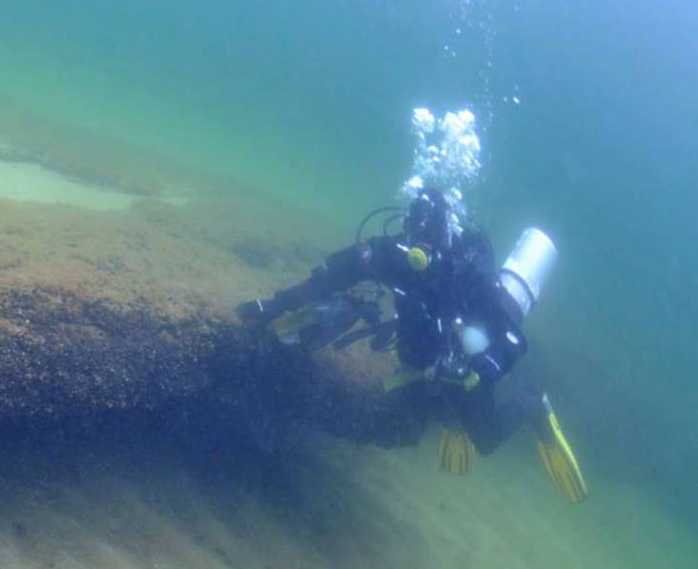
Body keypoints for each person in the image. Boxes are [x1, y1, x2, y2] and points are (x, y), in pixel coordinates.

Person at [236, 185, 587, 502]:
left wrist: (485, 365)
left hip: (466, 368)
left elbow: (512, 340)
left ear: (447, 237)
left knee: (486, 438)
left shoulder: (470, 274)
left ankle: (533, 405)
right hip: (420, 362)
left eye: (432, 238)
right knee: (394, 429)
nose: (422, 250)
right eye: (417, 237)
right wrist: (277, 304)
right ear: (406, 231)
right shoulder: (391, 255)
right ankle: (445, 416)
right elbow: (329, 277)